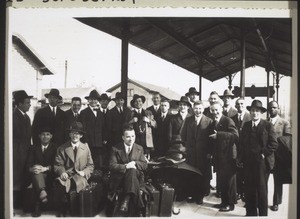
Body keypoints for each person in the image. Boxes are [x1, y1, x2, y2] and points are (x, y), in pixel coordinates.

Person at [240, 100, 278, 216]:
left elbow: (273, 143)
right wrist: (241, 159)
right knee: (249, 189)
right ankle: (250, 213)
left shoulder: (267, 125)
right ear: (250, 112)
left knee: (261, 190)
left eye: (257, 111)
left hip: (262, 163)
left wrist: (263, 154)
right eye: (252, 111)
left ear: (261, 113)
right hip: (248, 162)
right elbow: (241, 144)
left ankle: (262, 214)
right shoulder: (246, 126)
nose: (254, 113)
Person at [53, 122, 94, 217]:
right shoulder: (62, 148)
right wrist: (62, 172)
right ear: (69, 134)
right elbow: (57, 164)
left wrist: (84, 172)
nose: (75, 135)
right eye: (72, 132)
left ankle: (75, 208)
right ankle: (63, 206)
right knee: (61, 184)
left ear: (81, 135)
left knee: (79, 187)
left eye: (77, 133)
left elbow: (90, 165)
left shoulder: (86, 148)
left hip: (80, 176)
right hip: (67, 176)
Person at [109, 125, 148, 216]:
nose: (131, 139)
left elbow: (145, 165)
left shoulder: (139, 148)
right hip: (121, 178)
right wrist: (126, 166)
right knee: (131, 171)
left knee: (133, 171)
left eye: (133, 136)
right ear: (123, 137)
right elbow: (112, 165)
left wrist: (134, 163)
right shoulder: (115, 149)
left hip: (137, 178)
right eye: (128, 136)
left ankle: (126, 200)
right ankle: (139, 206)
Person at [209, 102, 239, 212]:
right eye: (212, 110)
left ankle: (230, 205)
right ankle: (224, 202)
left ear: (221, 109)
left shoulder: (228, 120)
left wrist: (219, 135)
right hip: (219, 157)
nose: (215, 112)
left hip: (229, 156)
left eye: (217, 110)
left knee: (229, 182)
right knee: (222, 181)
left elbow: (235, 136)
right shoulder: (214, 122)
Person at [181, 101, 212, 204]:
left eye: (200, 109)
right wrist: (186, 147)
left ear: (203, 109)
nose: (198, 111)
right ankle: (193, 195)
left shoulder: (209, 121)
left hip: (203, 154)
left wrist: (209, 152)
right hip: (191, 153)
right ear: (193, 109)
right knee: (192, 174)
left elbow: (211, 140)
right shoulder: (188, 120)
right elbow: (183, 135)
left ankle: (200, 196)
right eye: (196, 108)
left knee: (202, 175)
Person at [26, 127, 57, 217]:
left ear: (51, 136)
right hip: (36, 174)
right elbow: (29, 163)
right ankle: (42, 192)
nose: (45, 136)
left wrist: (46, 168)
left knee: (38, 174)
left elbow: (56, 164)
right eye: (43, 134)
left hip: (50, 174)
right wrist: (32, 168)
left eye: (48, 134)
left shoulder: (55, 147)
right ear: (39, 136)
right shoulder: (33, 147)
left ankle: (39, 202)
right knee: (37, 172)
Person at [268, 101, 291, 212]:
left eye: (274, 107)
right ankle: (260, 200)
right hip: (266, 155)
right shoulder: (264, 122)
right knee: (263, 179)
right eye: (270, 108)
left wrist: (275, 144)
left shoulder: (284, 123)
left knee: (278, 181)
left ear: (278, 109)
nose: (272, 109)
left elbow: (287, 139)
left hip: (278, 156)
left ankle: (276, 202)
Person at [13, 90, 33, 209]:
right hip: (17, 153)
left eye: (30, 102)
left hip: (26, 152)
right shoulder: (14, 117)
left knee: (24, 177)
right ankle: (15, 205)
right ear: (19, 104)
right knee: (16, 178)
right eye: (27, 102)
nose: (29, 105)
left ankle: (22, 203)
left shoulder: (26, 117)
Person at [231, 98, 251, 201]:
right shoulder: (232, 118)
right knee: (237, 171)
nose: (240, 106)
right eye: (238, 104)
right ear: (235, 105)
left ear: (245, 105)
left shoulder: (250, 116)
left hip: (247, 148)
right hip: (236, 148)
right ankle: (238, 191)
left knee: (246, 171)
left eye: (242, 104)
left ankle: (245, 193)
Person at [80, 89, 104, 169]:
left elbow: (102, 127)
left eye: (95, 99)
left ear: (97, 101)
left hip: (99, 143)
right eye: (91, 99)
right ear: (88, 100)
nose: (93, 101)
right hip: (88, 142)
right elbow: (83, 128)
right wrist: (85, 141)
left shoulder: (101, 113)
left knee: (97, 162)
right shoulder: (84, 112)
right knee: (88, 161)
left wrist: (103, 140)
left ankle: (96, 179)